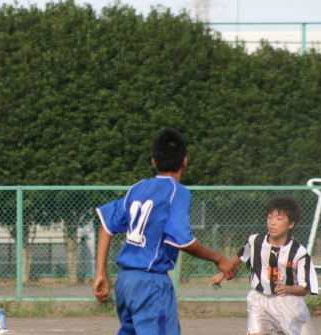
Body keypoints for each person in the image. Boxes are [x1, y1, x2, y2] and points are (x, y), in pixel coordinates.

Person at [93, 128, 237, 335]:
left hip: (125, 281)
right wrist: (219, 259)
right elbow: (182, 240)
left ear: (154, 162)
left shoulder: (137, 188)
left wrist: (100, 274)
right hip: (151, 283)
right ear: (185, 161)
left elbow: (106, 225)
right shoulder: (178, 192)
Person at [211, 195, 318, 335]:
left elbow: (304, 288)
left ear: (291, 224)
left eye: (279, 219)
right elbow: (241, 256)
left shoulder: (299, 253)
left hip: (289, 303)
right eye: (270, 217)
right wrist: (222, 274)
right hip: (260, 299)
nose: (272, 222)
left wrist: (288, 288)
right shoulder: (255, 241)